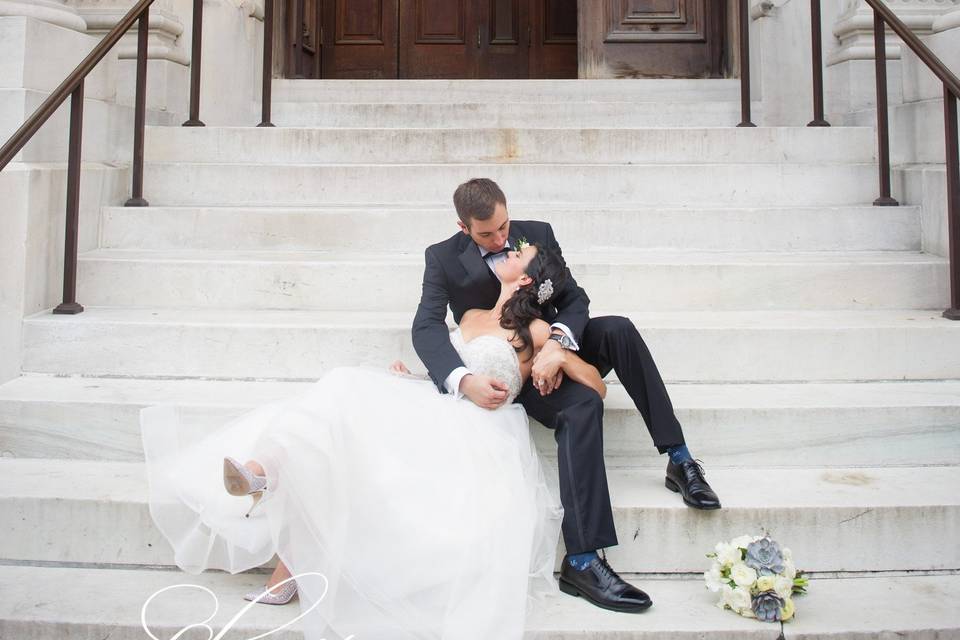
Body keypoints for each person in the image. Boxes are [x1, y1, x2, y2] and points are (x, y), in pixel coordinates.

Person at [140, 242, 581, 640]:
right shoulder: (470, 317)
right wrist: (414, 378)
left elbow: (594, 385)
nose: (510, 248)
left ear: (525, 278)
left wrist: (559, 354)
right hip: (434, 404)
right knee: (340, 390)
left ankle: (283, 548)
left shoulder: (539, 333)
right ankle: (262, 474)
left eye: (520, 251)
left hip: (480, 430)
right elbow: (447, 371)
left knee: (348, 417)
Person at [411, 178, 722, 614]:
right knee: (583, 404)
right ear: (464, 227)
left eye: (504, 226)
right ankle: (581, 560)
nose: (502, 239)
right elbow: (426, 327)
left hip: (554, 345)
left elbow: (576, 299)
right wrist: (463, 380)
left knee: (619, 329)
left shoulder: (536, 233)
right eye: (488, 234)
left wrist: (558, 344)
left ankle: (680, 458)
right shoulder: (441, 258)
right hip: (510, 371)